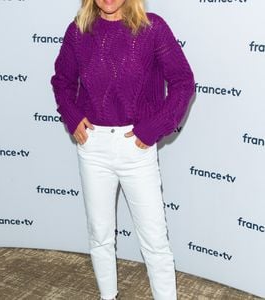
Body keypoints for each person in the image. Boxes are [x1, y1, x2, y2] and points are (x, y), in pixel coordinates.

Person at [50, 0, 195, 299]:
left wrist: (154, 127)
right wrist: (73, 116)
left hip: (136, 149)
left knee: (155, 241)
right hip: (94, 148)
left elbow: (183, 82)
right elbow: (62, 81)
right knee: (100, 236)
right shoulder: (78, 31)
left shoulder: (152, 28)